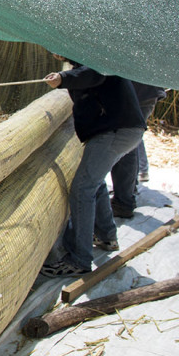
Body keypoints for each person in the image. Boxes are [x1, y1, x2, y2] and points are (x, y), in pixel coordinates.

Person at [40, 56, 146, 278]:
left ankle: (79, 259)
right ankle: (106, 235)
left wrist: (63, 78)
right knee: (94, 184)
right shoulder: (85, 62)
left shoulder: (95, 60)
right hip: (121, 129)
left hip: (115, 130)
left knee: (82, 189)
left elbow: (94, 74)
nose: (56, 54)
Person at [109, 83, 167, 217]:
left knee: (125, 144)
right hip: (141, 92)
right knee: (130, 140)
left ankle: (123, 202)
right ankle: (128, 191)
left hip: (137, 93)